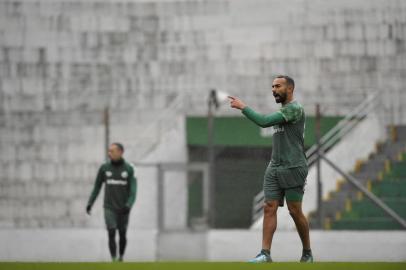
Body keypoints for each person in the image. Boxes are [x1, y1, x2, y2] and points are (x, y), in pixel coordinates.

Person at [228, 75, 313, 263]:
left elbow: (264, 121)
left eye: (278, 86)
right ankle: (265, 254)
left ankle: (307, 253)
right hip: (274, 167)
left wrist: (243, 107)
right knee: (269, 207)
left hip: (294, 166)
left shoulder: (294, 109)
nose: (274, 89)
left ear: (290, 89)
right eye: (272, 86)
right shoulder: (283, 110)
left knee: (294, 211)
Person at [86, 142, 137, 262]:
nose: (109, 154)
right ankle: (113, 260)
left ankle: (121, 257)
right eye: (109, 151)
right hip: (109, 207)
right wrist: (90, 203)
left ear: (120, 152)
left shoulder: (129, 169)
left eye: (112, 151)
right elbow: (97, 187)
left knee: (122, 234)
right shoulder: (104, 168)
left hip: (123, 208)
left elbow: (133, 191)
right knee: (111, 232)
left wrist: (129, 205)